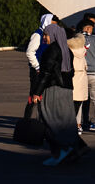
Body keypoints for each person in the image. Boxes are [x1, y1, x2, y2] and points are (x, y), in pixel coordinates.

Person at [31, 24, 89, 165]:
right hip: (67, 90)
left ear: (53, 35)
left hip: (53, 90)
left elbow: (46, 73)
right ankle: (74, 148)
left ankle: (61, 151)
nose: (44, 38)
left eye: (46, 35)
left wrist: (37, 92)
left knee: (50, 121)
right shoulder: (66, 50)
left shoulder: (52, 49)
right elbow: (71, 72)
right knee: (65, 122)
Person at [24, 13, 57, 118]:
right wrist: (37, 67)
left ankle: (42, 120)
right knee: (34, 96)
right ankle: (27, 120)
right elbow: (30, 52)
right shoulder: (38, 35)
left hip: (47, 70)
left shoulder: (50, 35)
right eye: (52, 24)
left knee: (44, 98)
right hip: (37, 71)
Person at [78, 18, 95, 132]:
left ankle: (78, 124)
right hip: (94, 72)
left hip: (82, 72)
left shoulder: (77, 38)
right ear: (89, 28)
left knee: (79, 99)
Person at [67, 32, 89, 134]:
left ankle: (71, 126)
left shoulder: (69, 49)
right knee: (78, 104)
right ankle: (76, 125)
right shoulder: (83, 49)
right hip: (82, 79)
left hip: (72, 78)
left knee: (69, 106)